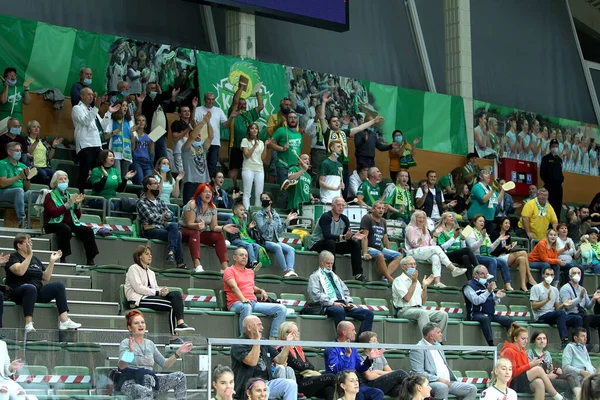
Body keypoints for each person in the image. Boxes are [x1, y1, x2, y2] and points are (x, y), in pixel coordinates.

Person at [6, 234, 82, 332]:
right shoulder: (13, 257)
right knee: (30, 287)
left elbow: (45, 277)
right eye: (27, 242)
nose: (30, 244)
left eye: (31, 242)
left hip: (36, 291)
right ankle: (28, 323)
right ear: (19, 245)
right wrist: (29, 256)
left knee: (59, 286)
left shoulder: (35, 259)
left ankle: (64, 321)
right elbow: (20, 271)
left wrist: (52, 262)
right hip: (19, 291)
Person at [124, 246, 195, 344]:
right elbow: (139, 288)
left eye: (150, 254)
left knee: (176, 294)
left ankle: (180, 323)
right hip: (137, 299)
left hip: (150, 296)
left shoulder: (151, 272)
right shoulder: (133, 269)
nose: (150, 256)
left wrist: (162, 291)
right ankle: (173, 337)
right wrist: (157, 292)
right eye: (147, 254)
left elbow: (155, 288)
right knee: (171, 306)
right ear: (140, 256)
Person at [118, 310, 192, 400]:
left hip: (150, 381)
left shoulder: (150, 344)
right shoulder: (126, 343)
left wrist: (179, 352)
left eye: (142, 322)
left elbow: (165, 364)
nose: (140, 325)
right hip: (132, 383)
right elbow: (121, 366)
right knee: (146, 391)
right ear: (130, 328)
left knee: (180, 377)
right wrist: (130, 351)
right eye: (136, 323)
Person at [320, 92, 383, 196]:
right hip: (332, 164)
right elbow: (322, 118)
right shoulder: (327, 133)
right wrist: (323, 102)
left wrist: (373, 121)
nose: (337, 122)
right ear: (329, 124)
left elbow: (360, 128)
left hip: (344, 165)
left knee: (344, 188)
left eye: (337, 121)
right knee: (333, 188)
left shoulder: (344, 132)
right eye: (334, 121)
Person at [230, 315, 298, 399]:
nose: (262, 327)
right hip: (248, 386)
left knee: (290, 384)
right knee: (263, 391)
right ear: (249, 327)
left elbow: (280, 360)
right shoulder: (239, 344)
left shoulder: (264, 341)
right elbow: (252, 362)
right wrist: (257, 340)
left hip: (266, 383)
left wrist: (287, 344)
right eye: (259, 325)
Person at [308, 250, 374, 334]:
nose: (330, 266)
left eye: (332, 263)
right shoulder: (314, 277)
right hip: (327, 306)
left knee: (368, 314)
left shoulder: (335, 277)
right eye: (328, 263)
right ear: (321, 262)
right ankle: (342, 339)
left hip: (343, 305)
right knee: (340, 311)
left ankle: (361, 339)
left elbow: (345, 291)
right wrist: (333, 303)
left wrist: (349, 302)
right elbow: (315, 295)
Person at [224, 250, 287, 337]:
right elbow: (234, 287)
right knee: (246, 306)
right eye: (241, 255)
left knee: (281, 309)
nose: (244, 257)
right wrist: (243, 300)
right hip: (236, 303)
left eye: (246, 255)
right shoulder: (229, 270)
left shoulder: (250, 272)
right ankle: (245, 339)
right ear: (235, 257)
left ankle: (274, 339)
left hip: (253, 303)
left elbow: (251, 286)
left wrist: (261, 290)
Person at [409, 322, 478, 400]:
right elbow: (418, 373)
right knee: (442, 387)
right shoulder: (418, 348)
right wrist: (438, 379)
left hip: (448, 381)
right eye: (438, 332)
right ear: (431, 336)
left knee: (472, 389)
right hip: (430, 383)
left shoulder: (439, 346)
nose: (441, 334)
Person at [44, 170, 98, 265]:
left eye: (65, 179)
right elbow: (54, 213)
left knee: (88, 231)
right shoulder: (50, 196)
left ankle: (90, 258)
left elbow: (76, 217)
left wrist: (77, 205)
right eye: (61, 179)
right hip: (53, 224)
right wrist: (68, 204)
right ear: (55, 182)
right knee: (65, 229)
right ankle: (63, 257)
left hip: (69, 223)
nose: (64, 181)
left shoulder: (69, 195)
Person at [179, 183, 236, 273]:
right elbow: (189, 223)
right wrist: (197, 225)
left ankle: (224, 268)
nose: (208, 194)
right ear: (199, 193)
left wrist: (223, 227)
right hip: (184, 231)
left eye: (210, 192)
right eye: (205, 192)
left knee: (219, 236)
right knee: (195, 232)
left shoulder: (212, 207)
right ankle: (197, 265)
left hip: (199, 233)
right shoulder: (192, 204)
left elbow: (213, 227)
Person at [500, 323, 563, 399]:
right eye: (523, 339)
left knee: (539, 382)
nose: (526, 341)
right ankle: (557, 396)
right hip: (511, 383)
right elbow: (512, 373)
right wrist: (531, 365)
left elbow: (526, 371)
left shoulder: (522, 351)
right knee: (538, 369)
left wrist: (533, 364)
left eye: (527, 339)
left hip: (522, 382)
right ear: (515, 339)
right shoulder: (509, 351)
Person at [405, 210, 467, 288]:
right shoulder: (411, 228)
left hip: (425, 251)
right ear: (415, 219)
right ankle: (453, 269)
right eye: (419, 218)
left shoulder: (426, 230)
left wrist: (436, 235)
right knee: (437, 248)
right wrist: (423, 235)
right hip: (413, 252)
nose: (422, 220)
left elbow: (431, 244)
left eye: (423, 218)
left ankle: (437, 282)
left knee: (435, 257)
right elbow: (414, 244)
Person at [324, 322, 384, 400]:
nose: (355, 332)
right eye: (353, 330)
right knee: (359, 394)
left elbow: (360, 368)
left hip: (353, 382)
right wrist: (347, 355)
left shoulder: (353, 348)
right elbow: (338, 372)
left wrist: (369, 359)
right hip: (340, 384)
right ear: (344, 332)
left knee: (377, 393)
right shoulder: (331, 348)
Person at [310, 198, 366, 281]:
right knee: (330, 242)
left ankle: (358, 274)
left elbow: (345, 237)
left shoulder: (344, 219)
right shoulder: (326, 217)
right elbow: (327, 235)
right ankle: (332, 272)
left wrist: (352, 237)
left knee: (354, 245)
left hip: (333, 244)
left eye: (343, 205)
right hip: (318, 243)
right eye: (338, 205)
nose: (341, 207)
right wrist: (343, 237)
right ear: (332, 206)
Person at [276, 322, 336, 400]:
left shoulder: (298, 348)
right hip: (297, 384)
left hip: (306, 380)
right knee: (331, 377)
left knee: (329, 390)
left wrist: (304, 366)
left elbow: (311, 366)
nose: (298, 333)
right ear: (285, 334)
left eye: (298, 331)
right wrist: (305, 366)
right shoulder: (281, 349)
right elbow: (297, 365)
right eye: (294, 332)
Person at [137, 175, 186, 269]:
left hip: (162, 227)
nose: (158, 186)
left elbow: (171, 215)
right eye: (155, 183)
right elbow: (151, 218)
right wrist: (163, 216)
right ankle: (179, 262)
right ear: (148, 186)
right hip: (150, 229)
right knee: (178, 234)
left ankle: (171, 253)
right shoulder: (142, 202)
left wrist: (162, 216)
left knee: (174, 225)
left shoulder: (159, 201)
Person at [392, 256, 448, 335]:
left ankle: (438, 341)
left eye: (415, 264)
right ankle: (428, 341)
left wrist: (425, 286)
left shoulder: (417, 281)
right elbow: (407, 298)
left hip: (419, 309)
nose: (413, 266)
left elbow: (423, 301)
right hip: (404, 310)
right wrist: (414, 282)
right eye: (410, 264)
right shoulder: (398, 280)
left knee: (443, 314)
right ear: (403, 267)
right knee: (423, 313)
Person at [530, 266, 582, 348]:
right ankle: (564, 340)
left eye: (551, 275)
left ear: (554, 276)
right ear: (543, 275)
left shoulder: (555, 289)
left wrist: (563, 304)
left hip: (554, 315)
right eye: (547, 274)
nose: (549, 276)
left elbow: (557, 307)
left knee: (577, 318)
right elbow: (534, 306)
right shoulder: (536, 287)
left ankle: (578, 343)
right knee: (560, 313)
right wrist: (546, 300)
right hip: (541, 315)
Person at [463, 265, 513, 346]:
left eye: (486, 274)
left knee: (509, 321)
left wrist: (497, 297)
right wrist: (488, 291)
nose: (485, 276)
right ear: (475, 274)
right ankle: (491, 344)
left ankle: (513, 342)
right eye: (482, 274)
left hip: (490, 314)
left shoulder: (487, 285)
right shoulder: (469, 287)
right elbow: (476, 301)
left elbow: (493, 302)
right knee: (485, 319)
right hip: (475, 314)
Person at [71, 87, 109, 192]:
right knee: (84, 172)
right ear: (81, 96)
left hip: (96, 144)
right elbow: (86, 121)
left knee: (97, 172)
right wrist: (96, 107)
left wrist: (109, 113)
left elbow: (102, 126)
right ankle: (80, 194)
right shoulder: (77, 108)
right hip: (85, 145)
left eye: (92, 94)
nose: (91, 96)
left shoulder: (93, 111)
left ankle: (94, 195)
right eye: (88, 94)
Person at [227, 82, 264, 183]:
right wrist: (241, 87)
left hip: (248, 146)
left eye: (244, 104)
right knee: (234, 168)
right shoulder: (233, 112)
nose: (243, 106)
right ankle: (230, 188)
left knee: (247, 168)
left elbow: (261, 106)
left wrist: (257, 92)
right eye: (241, 104)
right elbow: (235, 100)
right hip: (235, 145)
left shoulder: (249, 114)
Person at [465, 214, 514, 291]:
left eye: (483, 221)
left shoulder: (484, 232)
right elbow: (472, 248)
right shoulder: (469, 231)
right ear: (474, 222)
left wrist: (498, 240)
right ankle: (492, 282)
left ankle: (507, 284)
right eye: (480, 221)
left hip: (486, 255)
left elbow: (490, 249)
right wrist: (482, 238)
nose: (482, 223)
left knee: (503, 262)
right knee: (492, 260)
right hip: (475, 256)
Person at [254, 192, 297, 277]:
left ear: (271, 201)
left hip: (276, 240)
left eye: (266, 198)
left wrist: (287, 220)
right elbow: (262, 229)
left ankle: (290, 270)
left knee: (291, 249)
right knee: (277, 247)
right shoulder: (259, 214)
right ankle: (285, 271)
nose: (264, 200)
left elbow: (279, 231)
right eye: (262, 199)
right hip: (264, 240)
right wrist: (269, 220)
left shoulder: (276, 215)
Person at [359, 201, 402, 282]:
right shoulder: (367, 218)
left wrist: (389, 251)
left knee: (399, 255)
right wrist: (365, 253)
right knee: (380, 255)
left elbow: (385, 239)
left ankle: (384, 277)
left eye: (383, 208)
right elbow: (364, 237)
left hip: (379, 248)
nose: (381, 210)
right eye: (379, 208)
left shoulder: (383, 221)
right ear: (372, 209)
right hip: (368, 247)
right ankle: (389, 278)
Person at [526, 330, 578, 398]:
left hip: (550, 378)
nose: (542, 341)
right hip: (539, 381)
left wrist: (556, 370)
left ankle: (578, 394)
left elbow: (550, 369)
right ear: (534, 341)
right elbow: (529, 372)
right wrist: (547, 376)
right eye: (539, 339)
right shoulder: (529, 352)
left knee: (572, 374)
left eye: (544, 338)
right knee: (568, 384)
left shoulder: (547, 353)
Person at [194, 91, 234, 178]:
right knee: (199, 162)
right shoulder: (198, 109)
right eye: (208, 99)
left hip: (214, 142)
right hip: (200, 141)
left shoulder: (218, 110)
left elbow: (225, 125)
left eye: (212, 99)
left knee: (212, 164)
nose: (211, 101)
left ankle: (211, 185)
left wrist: (231, 117)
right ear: (204, 99)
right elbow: (193, 123)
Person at [491, 217, 537, 292]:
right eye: (506, 223)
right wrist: (506, 248)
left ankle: (523, 286)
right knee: (524, 252)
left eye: (509, 223)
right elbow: (493, 251)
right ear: (500, 225)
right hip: (498, 258)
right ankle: (530, 278)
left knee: (522, 259)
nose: (508, 225)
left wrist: (511, 248)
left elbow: (507, 251)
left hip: (506, 257)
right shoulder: (495, 234)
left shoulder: (508, 235)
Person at [358, 331, 408, 396]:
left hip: (384, 385)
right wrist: (386, 376)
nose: (377, 343)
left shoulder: (380, 356)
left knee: (402, 389)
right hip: (371, 386)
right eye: (374, 341)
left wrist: (378, 372)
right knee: (400, 373)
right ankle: (417, 387)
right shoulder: (361, 358)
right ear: (366, 343)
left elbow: (390, 372)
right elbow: (369, 376)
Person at [560, 267, 600, 346]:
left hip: (581, 314)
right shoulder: (565, 288)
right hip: (569, 315)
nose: (577, 275)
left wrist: (593, 299)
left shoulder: (582, 289)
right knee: (579, 318)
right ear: (570, 276)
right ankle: (584, 344)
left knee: (593, 318)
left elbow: (588, 306)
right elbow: (568, 306)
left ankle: (590, 344)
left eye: (578, 273)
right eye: (574, 273)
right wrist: (579, 298)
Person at [139, 82, 178, 162]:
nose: (155, 90)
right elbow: (153, 107)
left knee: (163, 158)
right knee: (151, 157)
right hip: (151, 133)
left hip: (161, 133)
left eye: (156, 88)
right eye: (152, 88)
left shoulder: (159, 101)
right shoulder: (145, 101)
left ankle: (162, 173)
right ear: (147, 90)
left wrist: (173, 97)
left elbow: (171, 109)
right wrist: (159, 94)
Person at [434, 212, 479, 280]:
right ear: (444, 220)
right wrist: (454, 238)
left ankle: (469, 280)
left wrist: (463, 239)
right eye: (449, 216)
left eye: (453, 216)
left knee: (465, 257)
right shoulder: (441, 231)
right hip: (446, 255)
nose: (452, 218)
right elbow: (442, 247)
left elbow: (462, 248)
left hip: (457, 255)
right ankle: (479, 269)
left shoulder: (457, 230)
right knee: (467, 249)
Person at [181, 108, 213, 203]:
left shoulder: (202, 147)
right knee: (189, 209)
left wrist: (208, 122)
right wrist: (203, 122)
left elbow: (211, 137)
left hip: (203, 183)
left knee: (202, 209)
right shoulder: (186, 147)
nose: (198, 136)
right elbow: (192, 136)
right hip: (190, 183)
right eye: (196, 135)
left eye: (199, 135)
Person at [227, 202, 267, 271]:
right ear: (235, 211)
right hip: (235, 240)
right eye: (241, 210)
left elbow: (245, 233)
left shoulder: (243, 222)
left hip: (243, 240)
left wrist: (249, 228)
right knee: (249, 245)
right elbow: (234, 232)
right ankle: (253, 262)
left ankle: (251, 265)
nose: (243, 212)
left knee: (256, 246)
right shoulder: (231, 220)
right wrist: (238, 225)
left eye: (243, 210)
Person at [241, 123, 271, 209]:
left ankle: (257, 212)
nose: (254, 130)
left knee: (259, 193)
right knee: (247, 193)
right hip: (248, 168)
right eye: (252, 128)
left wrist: (265, 146)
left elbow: (263, 158)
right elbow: (247, 155)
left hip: (259, 169)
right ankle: (247, 212)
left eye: (256, 129)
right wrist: (254, 146)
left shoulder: (261, 142)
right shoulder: (245, 140)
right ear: (249, 131)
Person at [0, 142, 30, 228]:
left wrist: (27, 178)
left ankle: (43, 223)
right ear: (9, 152)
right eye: (17, 150)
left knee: (41, 194)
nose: (19, 152)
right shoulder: (2, 164)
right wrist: (19, 176)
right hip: (3, 192)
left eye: (20, 150)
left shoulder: (23, 166)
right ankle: (22, 221)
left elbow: (26, 189)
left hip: (20, 193)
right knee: (18, 190)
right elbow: (2, 184)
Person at [103, 100, 134, 178]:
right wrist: (114, 132)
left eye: (126, 106)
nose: (125, 108)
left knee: (124, 178)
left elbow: (133, 141)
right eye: (123, 105)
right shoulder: (112, 120)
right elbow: (105, 137)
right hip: (115, 154)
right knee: (117, 177)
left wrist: (131, 133)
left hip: (126, 154)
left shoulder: (129, 122)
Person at [563, 327, 597, 397]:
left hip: (590, 376)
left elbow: (589, 365)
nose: (585, 339)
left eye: (586, 336)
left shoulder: (584, 348)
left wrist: (596, 371)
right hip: (579, 379)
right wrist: (581, 371)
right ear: (575, 338)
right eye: (583, 336)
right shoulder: (569, 347)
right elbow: (565, 367)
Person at [26, 120, 61, 185]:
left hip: (45, 166)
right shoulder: (26, 140)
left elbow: (50, 157)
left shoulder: (43, 142)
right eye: (34, 127)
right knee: (43, 174)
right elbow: (28, 152)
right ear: (29, 130)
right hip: (33, 166)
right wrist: (36, 142)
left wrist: (53, 146)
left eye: (38, 127)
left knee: (57, 175)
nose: (36, 128)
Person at [171, 100, 196, 174]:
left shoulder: (191, 126)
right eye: (184, 111)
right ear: (179, 113)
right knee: (182, 174)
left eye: (188, 111)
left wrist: (194, 107)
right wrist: (188, 129)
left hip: (191, 154)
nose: (187, 112)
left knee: (190, 174)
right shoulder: (176, 123)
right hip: (179, 153)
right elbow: (175, 139)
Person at [541, 139, 564, 217]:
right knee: (550, 206)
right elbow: (542, 173)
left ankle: (556, 224)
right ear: (550, 147)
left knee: (558, 207)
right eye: (553, 146)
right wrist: (549, 182)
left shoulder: (559, 159)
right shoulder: (546, 158)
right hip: (550, 187)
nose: (555, 148)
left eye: (557, 146)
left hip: (559, 187)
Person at [130, 114, 154, 185]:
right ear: (136, 122)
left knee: (149, 182)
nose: (141, 122)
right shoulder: (134, 135)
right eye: (139, 120)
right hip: (136, 160)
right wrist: (133, 136)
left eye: (143, 120)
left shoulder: (148, 136)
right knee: (140, 181)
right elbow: (132, 149)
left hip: (147, 161)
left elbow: (151, 151)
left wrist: (151, 161)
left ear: (145, 123)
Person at [319, 140, 344, 204]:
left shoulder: (340, 165)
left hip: (337, 200)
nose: (341, 149)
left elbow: (339, 186)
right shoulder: (325, 163)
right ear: (332, 148)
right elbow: (321, 182)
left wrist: (341, 198)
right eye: (338, 147)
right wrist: (335, 188)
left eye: (341, 147)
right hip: (327, 198)